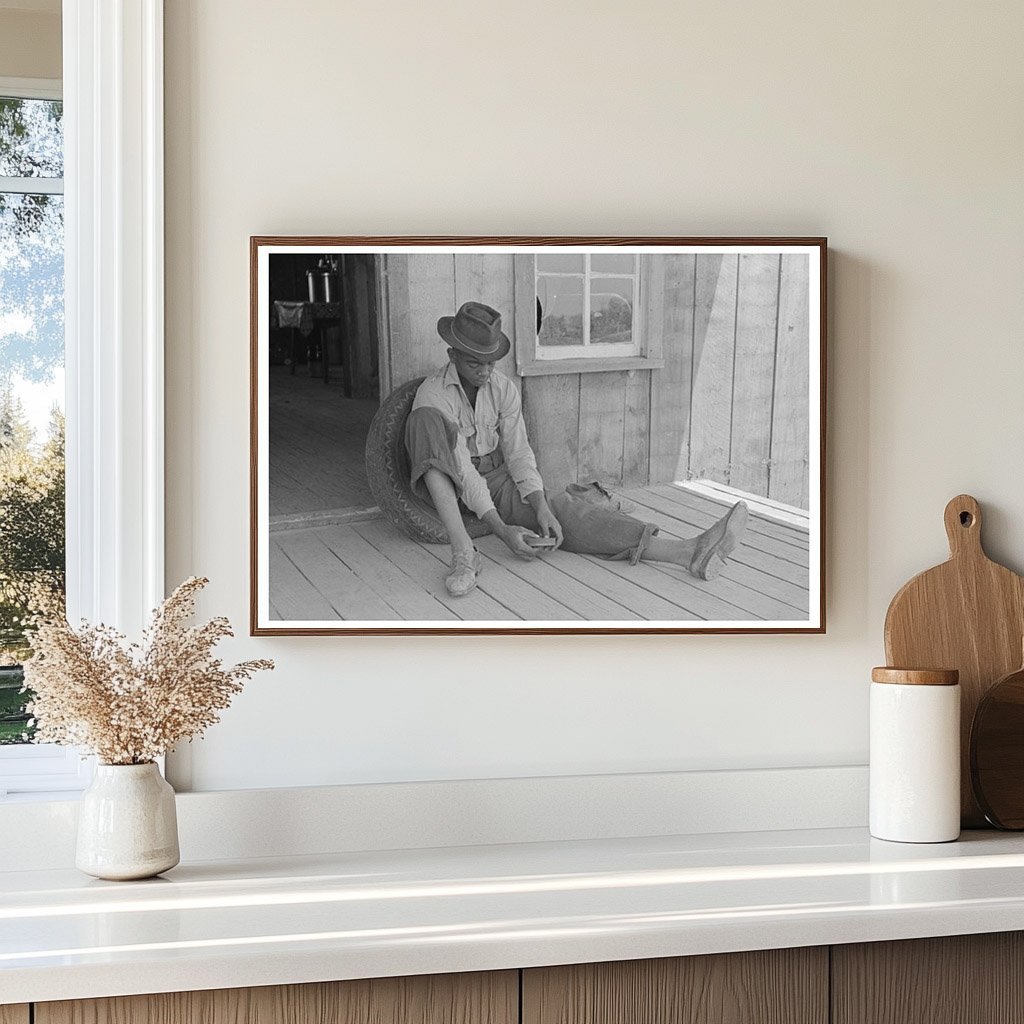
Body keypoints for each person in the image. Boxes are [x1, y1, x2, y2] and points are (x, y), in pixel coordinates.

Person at [405, 301, 748, 597]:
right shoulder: (433, 396)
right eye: (473, 364)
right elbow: (463, 471)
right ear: (452, 355)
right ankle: (465, 552)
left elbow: (518, 453)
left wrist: (538, 505)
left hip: (495, 477)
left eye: (490, 363)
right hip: (450, 484)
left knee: (561, 511)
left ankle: (686, 552)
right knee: (424, 423)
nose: (484, 372)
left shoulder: (503, 388)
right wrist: (501, 530)